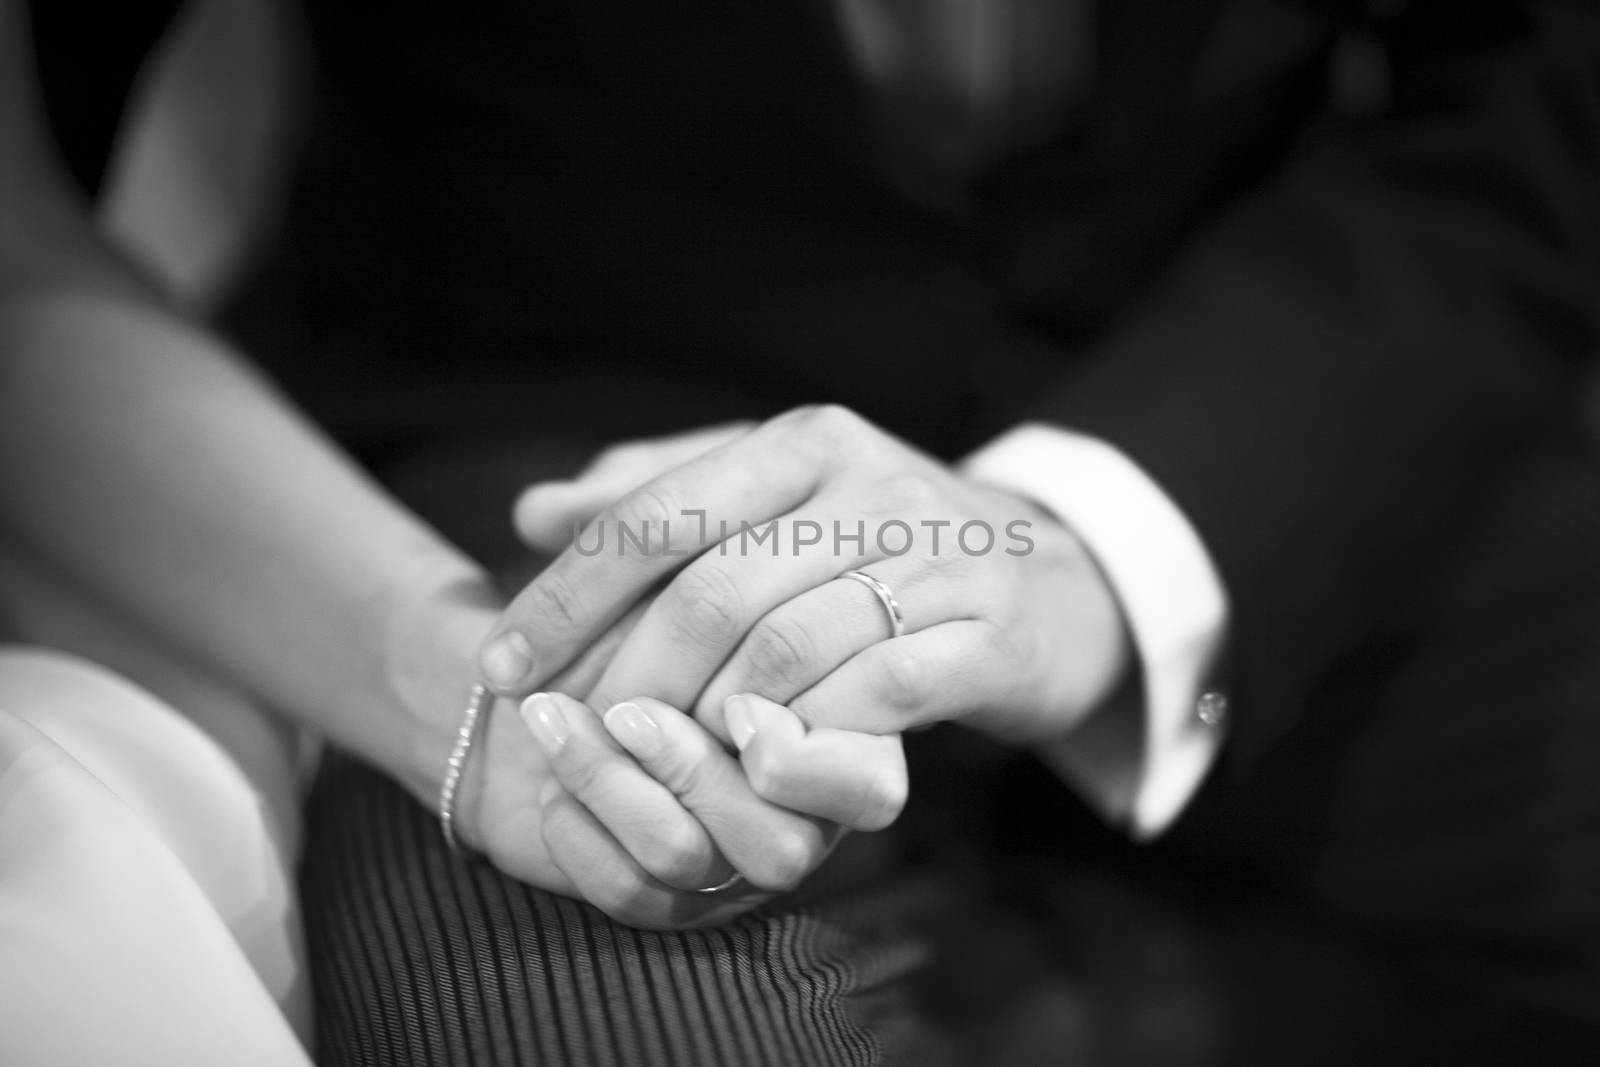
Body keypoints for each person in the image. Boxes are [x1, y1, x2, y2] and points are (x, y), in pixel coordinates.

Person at [6, 0, 1600, 1063]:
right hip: (542, 486)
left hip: (1256, 411)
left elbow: (1534, 98)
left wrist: (1085, 545)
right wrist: (465, 690)